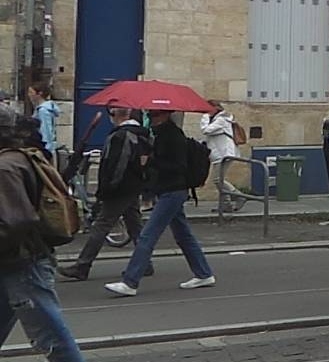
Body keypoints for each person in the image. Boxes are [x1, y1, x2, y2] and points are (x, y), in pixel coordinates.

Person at [0, 104, 106, 362]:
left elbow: (14, 222)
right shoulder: (24, 156)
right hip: (20, 260)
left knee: (49, 332)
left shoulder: (6, 166)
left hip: (22, 262)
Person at [104, 109, 217, 297]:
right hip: (167, 190)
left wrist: (151, 161)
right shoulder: (158, 134)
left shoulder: (173, 136)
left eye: (156, 115)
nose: (152, 118)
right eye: (151, 115)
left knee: (148, 235)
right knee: (183, 236)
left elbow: (178, 167)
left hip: (173, 191)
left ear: (165, 115)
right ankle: (204, 273)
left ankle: (130, 281)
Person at [58, 106, 151, 281]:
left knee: (101, 225)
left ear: (116, 115)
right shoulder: (139, 133)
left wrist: (107, 189)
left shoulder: (122, 135)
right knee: (134, 224)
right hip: (133, 185)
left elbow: (118, 166)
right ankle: (144, 262)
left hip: (120, 188)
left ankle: (82, 265)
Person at [200, 100, 243, 213]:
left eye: (209, 108)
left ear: (216, 108)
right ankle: (226, 203)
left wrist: (205, 116)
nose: (207, 111)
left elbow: (206, 130)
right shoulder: (216, 119)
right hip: (219, 153)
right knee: (219, 179)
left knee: (218, 179)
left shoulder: (222, 119)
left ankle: (238, 196)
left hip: (224, 153)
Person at [28, 84, 61, 155]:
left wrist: (45, 149)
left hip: (44, 148)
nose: (29, 95)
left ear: (39, 94)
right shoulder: (42, 109)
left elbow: (46, 130)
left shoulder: (43, 111)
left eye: (31, 92)